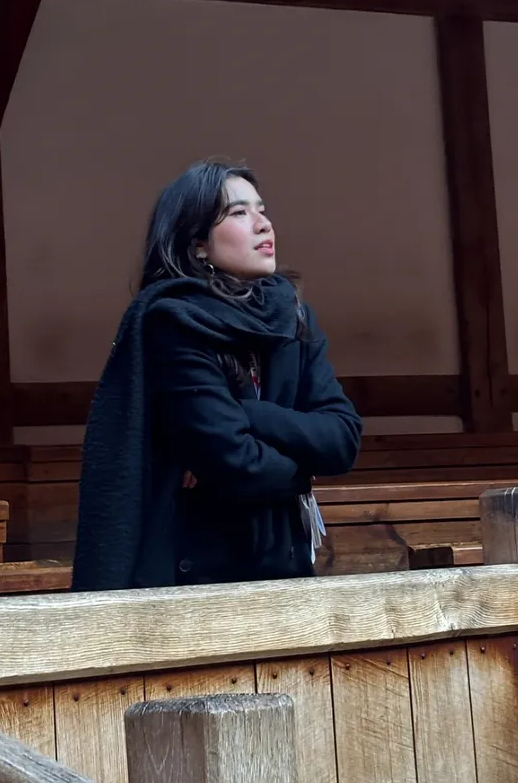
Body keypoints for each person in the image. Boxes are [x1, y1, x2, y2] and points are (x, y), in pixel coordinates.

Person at [70, 159, 362, 592]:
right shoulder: (173, 322)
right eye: (239, 213)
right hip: (201, 577)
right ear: (198, 244)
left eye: (262, 209)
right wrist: (304, 470)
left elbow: (343, 438)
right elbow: (236, 464)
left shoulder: (293, 316)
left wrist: (248, 415)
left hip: (286, 568)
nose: (264, 224)